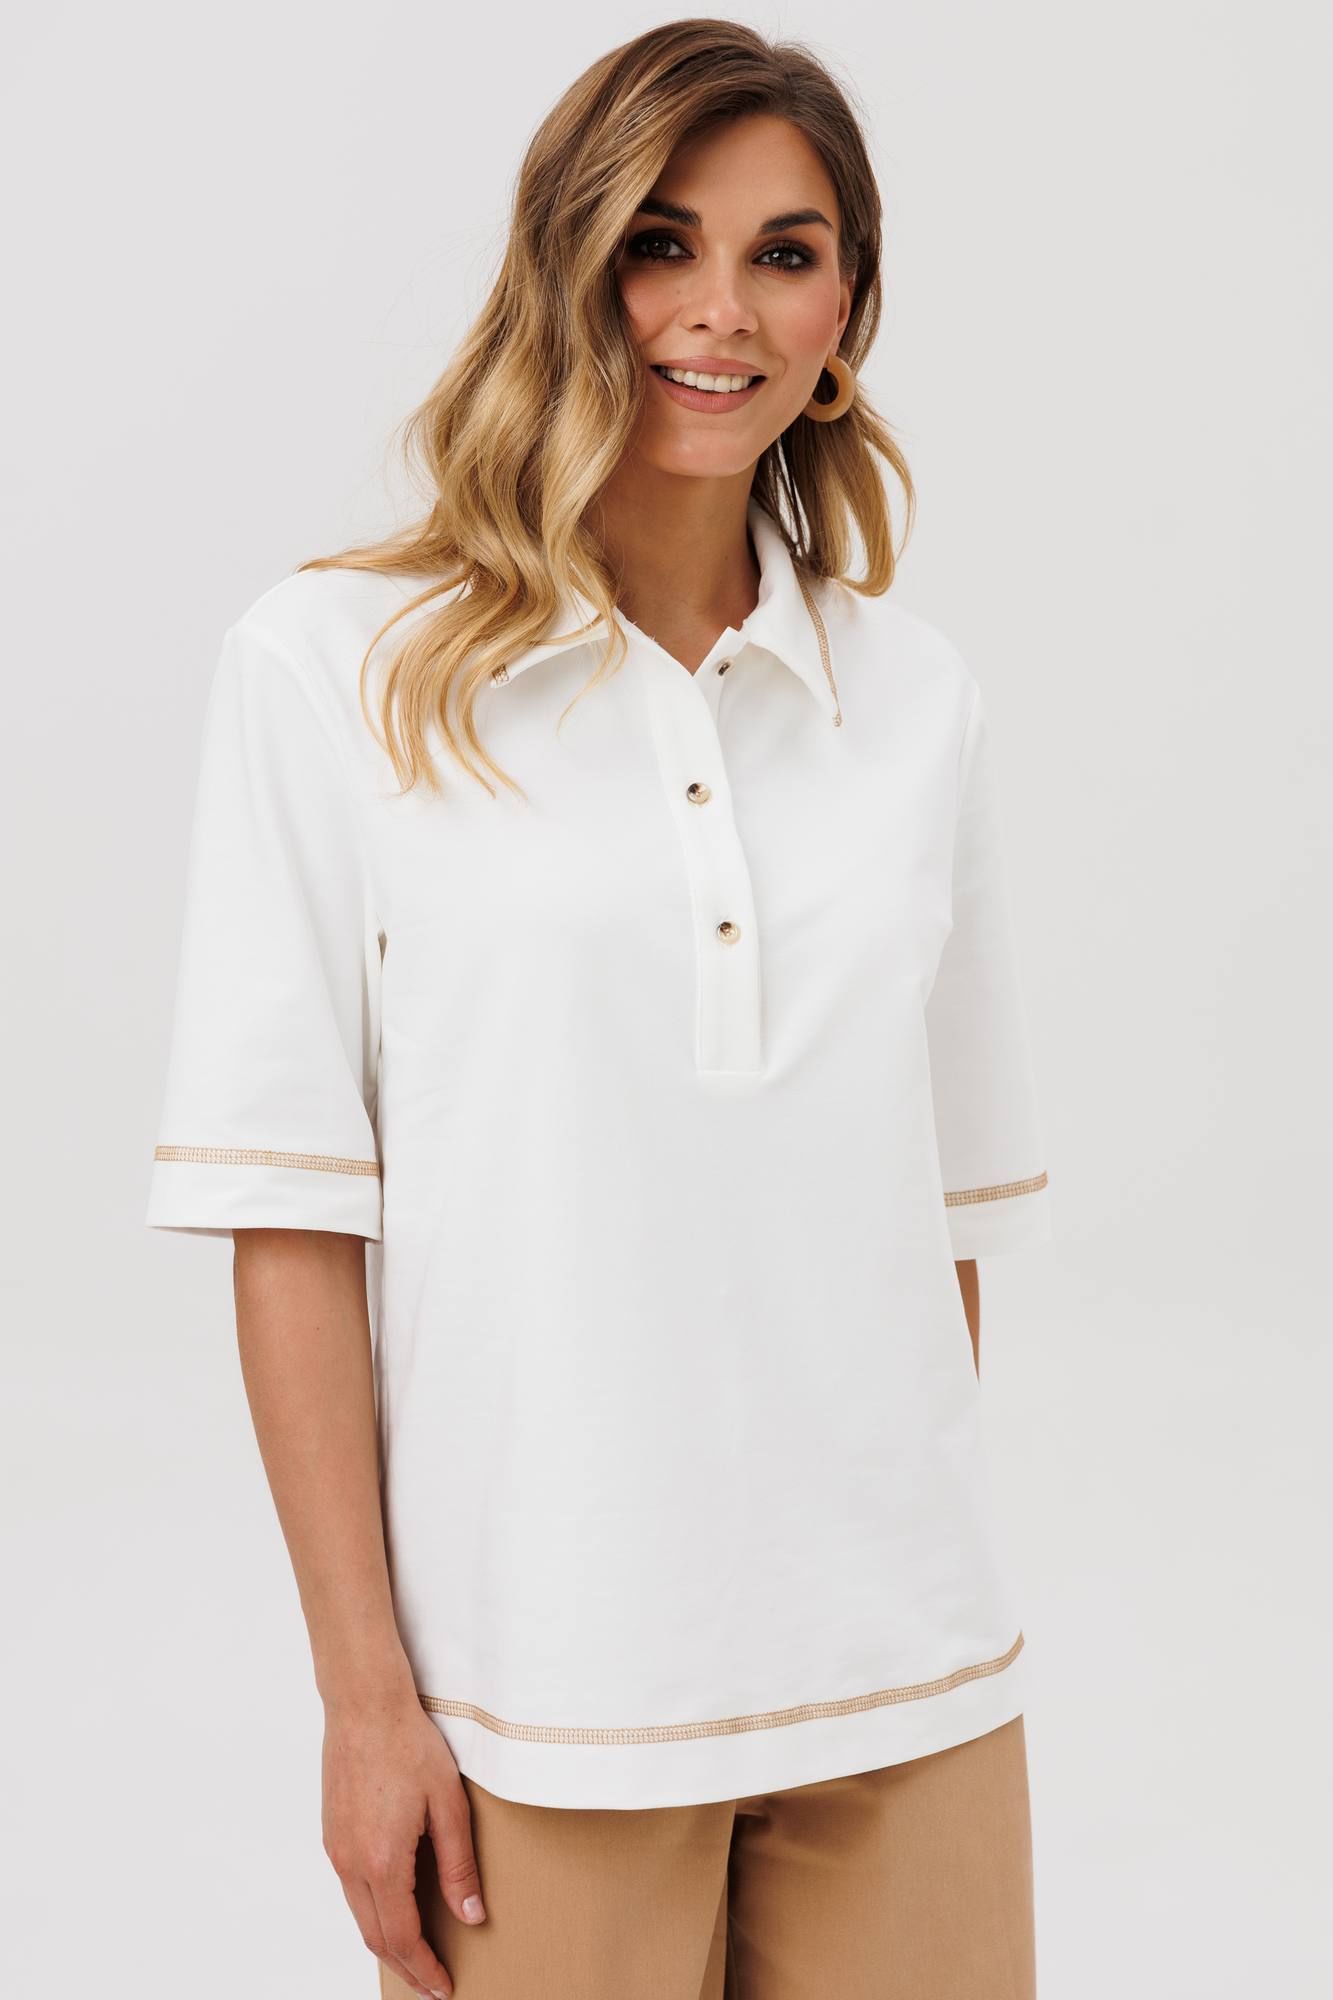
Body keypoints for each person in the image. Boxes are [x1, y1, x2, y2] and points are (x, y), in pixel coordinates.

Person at [145, 20, 1053, 1999]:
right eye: (659, 243)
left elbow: (938, 1234)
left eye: (785, 253)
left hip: (907, 1693)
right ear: (567, 267)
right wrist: (367, 1701)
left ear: (846, 311)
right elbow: (289, 1221)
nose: (719, 310)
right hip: (539, 1706)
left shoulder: (916, 704)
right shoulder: (336, 670)